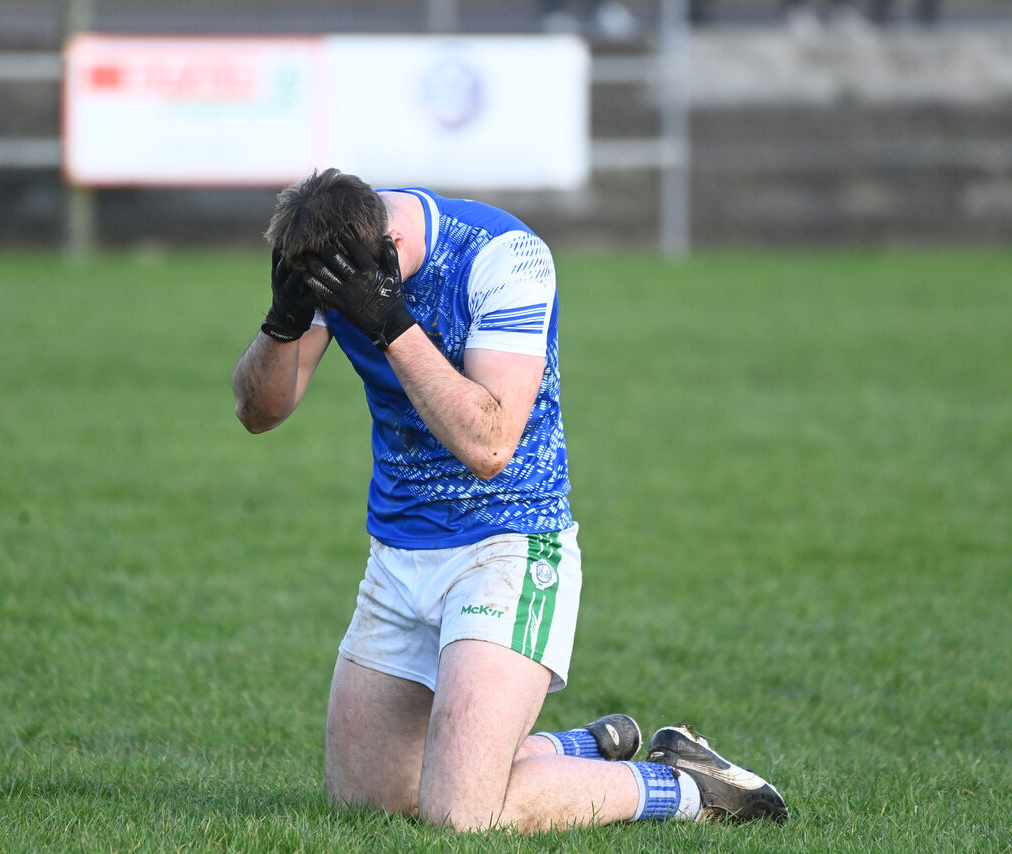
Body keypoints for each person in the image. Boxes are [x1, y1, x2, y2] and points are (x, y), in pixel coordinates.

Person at [231, 168, 789, 832]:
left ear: (392, 238)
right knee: (366, 802)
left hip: (509, 548)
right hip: (398, 552)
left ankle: (688, 786)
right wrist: (282, 324)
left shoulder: (502, 257)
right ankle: (578, 749)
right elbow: (260, 413)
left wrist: (389, 321)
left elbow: (491, 444)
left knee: (461, 814)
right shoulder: (338, 256)